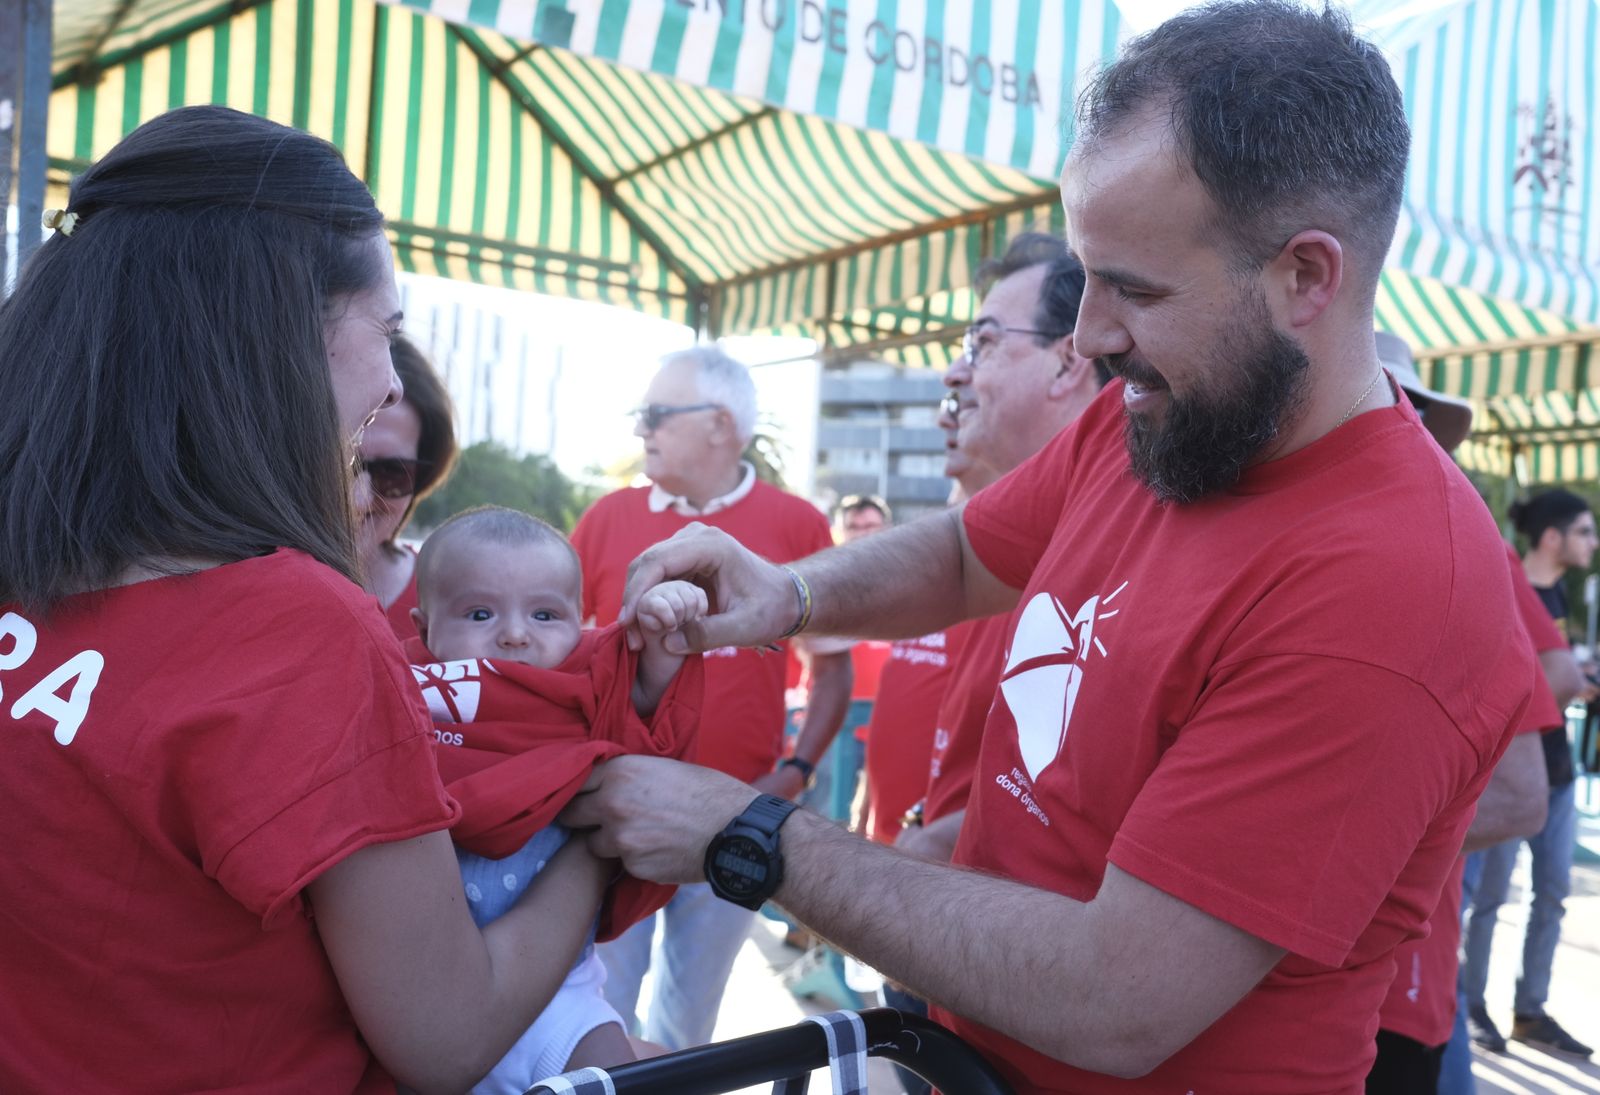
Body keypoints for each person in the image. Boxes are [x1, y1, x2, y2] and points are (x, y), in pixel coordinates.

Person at [563, 5, 1536, 1091]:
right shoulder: (1167, 411)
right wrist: (787, 593)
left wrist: (751, 835)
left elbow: (1118, 999)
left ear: (1307, 276)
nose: (1088, 337)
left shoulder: (1392, 581)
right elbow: (967, 557)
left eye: (1135, 288)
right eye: (1088, 276)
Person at [0, 105, 614, 1095]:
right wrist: (595, 845)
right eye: (390, 329)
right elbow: (446, 1034)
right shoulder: (292, 631)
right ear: (282, 335)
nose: (387, 375)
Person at [570, 346, 851, 1050]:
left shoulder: (798, 526)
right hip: (618, 820)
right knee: (598, 1016)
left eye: (657, 415)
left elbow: (832, 668)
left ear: (722, 424)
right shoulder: (605, 520)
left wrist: (798, 770)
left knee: (690, 1024)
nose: (642, 431)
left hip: (739, 817)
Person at [404, 506, 706, 1090]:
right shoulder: (408, 689)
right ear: (424, 629)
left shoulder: (584, 689)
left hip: (557, 993)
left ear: (580, 622)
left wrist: (666, 639)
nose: (515, 633)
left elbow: (647, 709)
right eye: (480, 612)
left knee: (619, 1077)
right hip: (423, 988)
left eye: (545, 613)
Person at [1366, 332, 1559, 1093]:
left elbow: (1522, 793)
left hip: (1389, 993)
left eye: (1402, 408)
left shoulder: (1455, 552)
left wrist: (1326, 847)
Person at [898, 234, 1108, 867]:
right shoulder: (1008, 540)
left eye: (982, 344)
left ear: (1068, 363)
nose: (955, 374)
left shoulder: (1106, 546)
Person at [1458, 489, 1597, 1061]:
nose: (1593, 542)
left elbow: (1553, 673)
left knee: (1552, 895)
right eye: (1585, 531)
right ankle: (1469, 1007)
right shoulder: (1503, 581)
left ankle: (1529, 1011)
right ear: (1552, 537)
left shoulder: (1556, 592)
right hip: (1512, 768)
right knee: (1489, 898)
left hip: (1556, 768)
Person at [358, 334, 459, 641]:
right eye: (333, 466)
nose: (359, 498)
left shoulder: (468, 604)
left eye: (393, 472)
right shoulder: (225, 588)